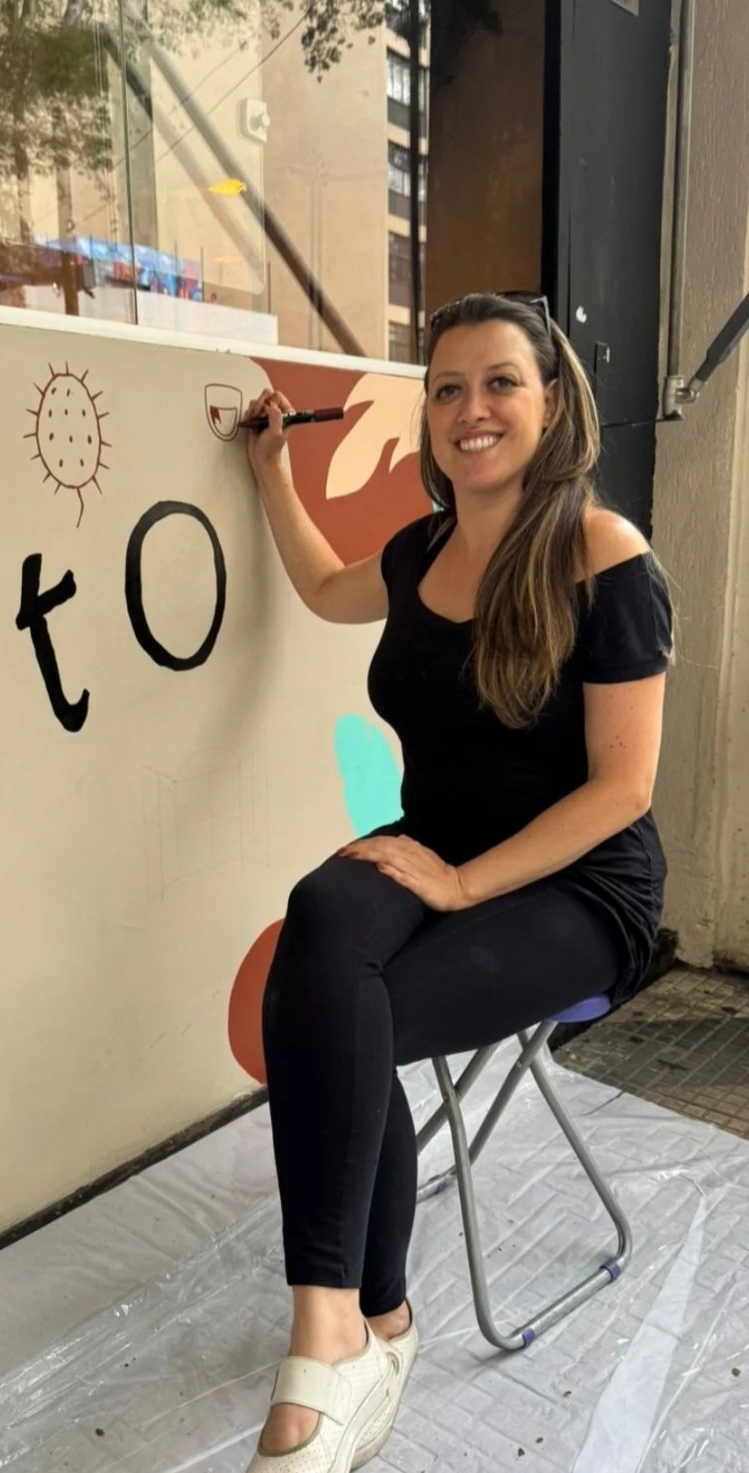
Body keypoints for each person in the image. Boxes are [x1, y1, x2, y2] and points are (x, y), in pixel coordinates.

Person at [241, 291, 672, 1472]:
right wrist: (271, 471)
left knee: (347, 1011)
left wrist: (468, 886)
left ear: (553, 402)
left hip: (579, 889)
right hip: (437, 850)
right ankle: (357, 1324)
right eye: (446, 388)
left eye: (499, 383)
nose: (470, 409)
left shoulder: (604, 556)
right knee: (323, 919)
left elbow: (622, 790)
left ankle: (349, 1337)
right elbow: (324, 590)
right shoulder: (422, 549)